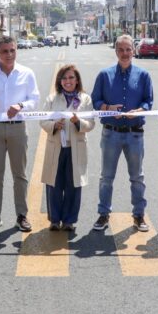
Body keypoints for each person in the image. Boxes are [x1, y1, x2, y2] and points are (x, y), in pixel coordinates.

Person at [90, 34, 154, 232]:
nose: (125, 53)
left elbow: (148, 101)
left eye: (128, 49)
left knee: (137, 177)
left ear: (133, 51)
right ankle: (103, 214)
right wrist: (108, 107)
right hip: (111, 133)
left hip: (135, 134)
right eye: (121, 50)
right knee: (106, 177)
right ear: (116, 51)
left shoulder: (143, 75)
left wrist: (139, 111)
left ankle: (139, 215)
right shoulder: (104, 75)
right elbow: (95, 100)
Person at [0, 35, 40, 233]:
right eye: (5, 51)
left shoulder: (26, 73)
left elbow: (35, 99)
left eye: (12, 50)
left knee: (19, 175)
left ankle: (22, 215)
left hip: (18, 128)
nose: (9, 54)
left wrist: (21, 105)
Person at [39, 65, 95, 232]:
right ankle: (55, 220)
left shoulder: (85, 99)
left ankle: (69, 220)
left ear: (77, 80)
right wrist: (54, 125)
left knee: (73, 185)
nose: (67, 81)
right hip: (56, 147)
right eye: (64, 78)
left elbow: (91, 123)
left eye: (71, 77)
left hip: (75, 148)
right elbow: (42, 120)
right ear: (59, 81)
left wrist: (78, 122)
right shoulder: (52, 99)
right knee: (54, 184)